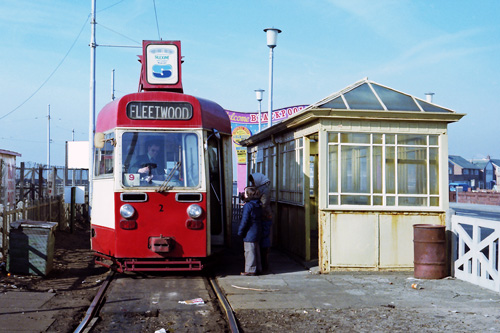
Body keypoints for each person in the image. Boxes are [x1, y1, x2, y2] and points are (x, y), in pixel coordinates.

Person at [249, 172, 272, 273]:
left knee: (264, 239)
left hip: (265, 217)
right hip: (262, 217)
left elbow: (264, 204)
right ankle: (262, 263)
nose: (253, 183)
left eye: (253, 181)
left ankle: (264, 263)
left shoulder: (264, 190)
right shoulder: (261, 188)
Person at [237, 186, 262, 276]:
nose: (244, 194)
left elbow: (245, 220)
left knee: (249, 250)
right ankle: (258, 268)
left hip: (249, 231)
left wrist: (240, 231)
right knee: (256, 250)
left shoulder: (248, 206)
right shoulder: (258, 204)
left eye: (245, 193)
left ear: (249, 194)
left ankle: (250, 270)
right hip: (257, 229)